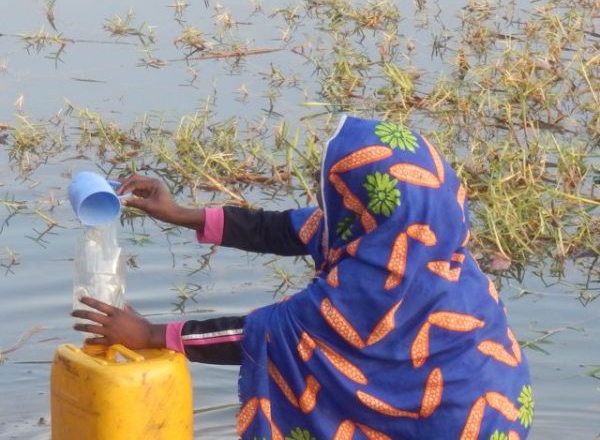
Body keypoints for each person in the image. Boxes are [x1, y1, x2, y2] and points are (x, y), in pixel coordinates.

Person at [72, 116, 533, 439]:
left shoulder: (370, 290)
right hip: (499, 407)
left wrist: (151, 333)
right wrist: (181, 214)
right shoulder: (418, 238)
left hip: (449, 423)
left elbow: (260, 335)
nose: (324, 196)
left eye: (335, 189)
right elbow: (282, 228)